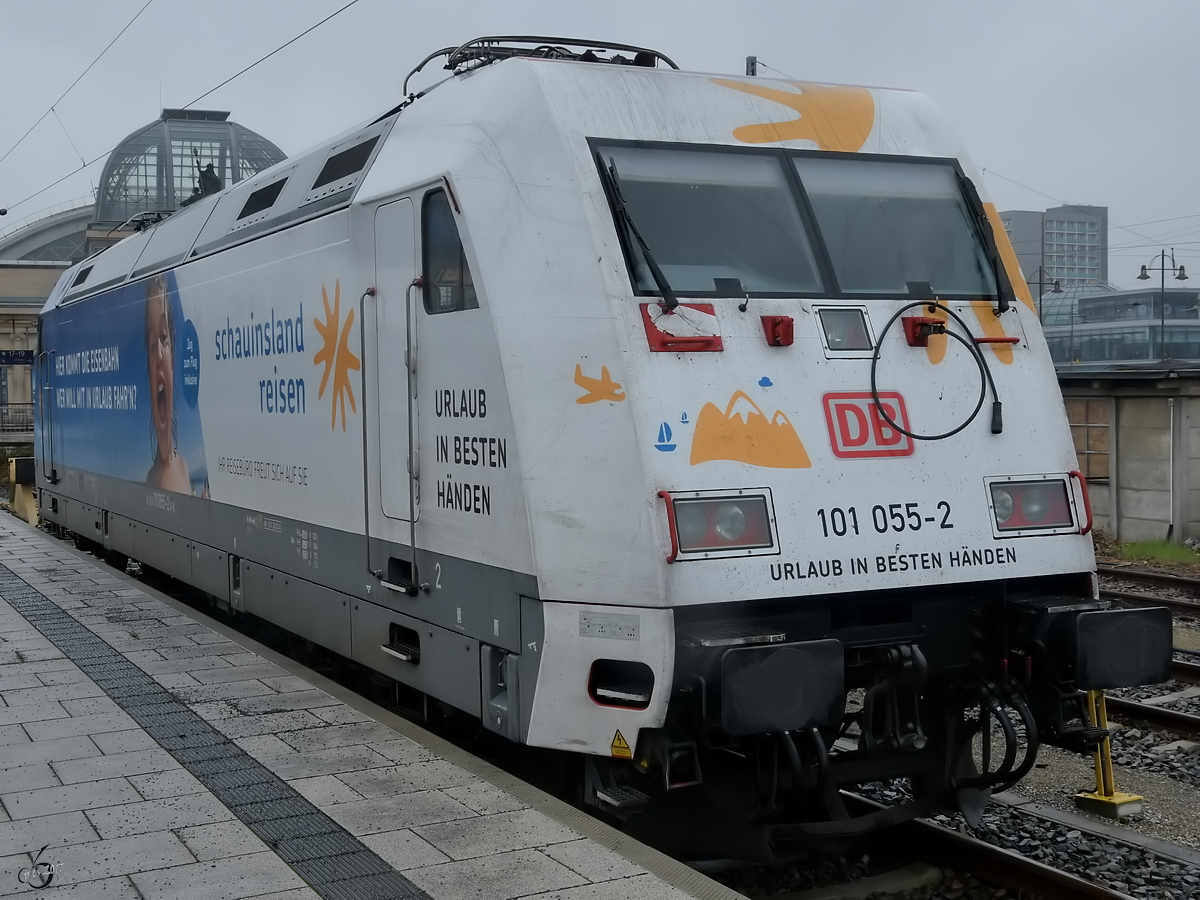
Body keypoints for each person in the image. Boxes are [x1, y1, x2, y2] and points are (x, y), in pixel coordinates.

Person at [145, 275, 191, 492]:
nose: (159, 358)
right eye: (152, 347)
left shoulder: (185, 469)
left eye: (164, 338)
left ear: (173, 361)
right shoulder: (150, 479)